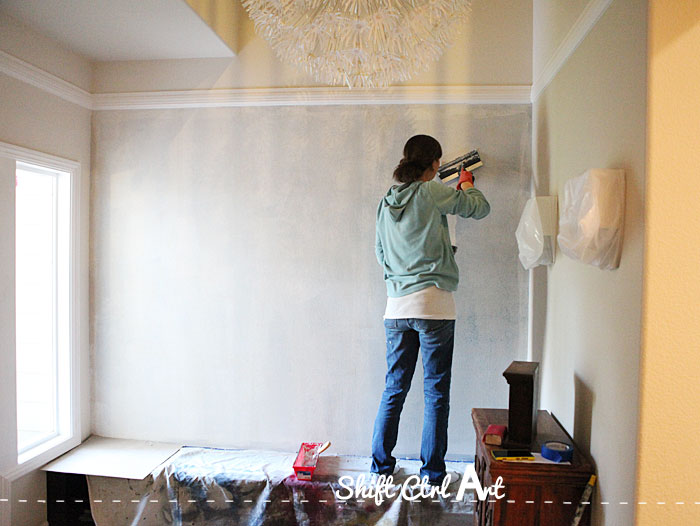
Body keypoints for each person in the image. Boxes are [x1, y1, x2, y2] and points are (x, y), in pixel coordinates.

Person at [371, 134, 490, 486]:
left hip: (395, 308)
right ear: (434, 164)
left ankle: (380, 468)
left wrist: (401, 275)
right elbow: (478, 208)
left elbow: (380, 252)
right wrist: (466, 183)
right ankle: (432, 474)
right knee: (436, 392)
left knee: (394, 388)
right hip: (433, 305)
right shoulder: (428, 191)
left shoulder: (386, 202)